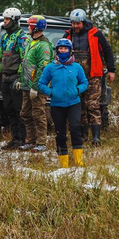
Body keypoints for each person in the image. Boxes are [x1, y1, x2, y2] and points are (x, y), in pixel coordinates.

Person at [38, 39, 89, 168]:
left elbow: (84, 83)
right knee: (60, 133)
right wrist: (51, 92)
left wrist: (77, 90)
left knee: (75, 128)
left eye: (65, 48)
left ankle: (79, 161)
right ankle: (64, 164)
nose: (63, 51)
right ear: (57, 50)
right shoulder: (51, 67)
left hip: (73, 103)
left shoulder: (77, 67)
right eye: (60, 48)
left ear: (70, 50)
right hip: (57, 104)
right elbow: (41, 83)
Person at [69, 9, 115, 144]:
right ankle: (83, 136)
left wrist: (111, 70)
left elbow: (107, 50)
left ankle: (96, 137)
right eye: (73, 23)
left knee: (93, 105)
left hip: (93, 76)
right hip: (75, 78)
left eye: (78, 23)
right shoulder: (68, 35)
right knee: (80, 106)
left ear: (83, 22)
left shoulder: (95, 34)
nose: (75, 26)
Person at [0, 11, 30, 149]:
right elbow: (0, 58)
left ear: (14, 20)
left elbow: (24, 59)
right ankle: (15, 138)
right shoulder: (5, 37)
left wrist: (20, 78)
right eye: (4, 19)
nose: (5, 21)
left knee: (19, 109)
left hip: (16, 77)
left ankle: (23, 138)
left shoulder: (22, 37)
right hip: (5, 77)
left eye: (7, 19)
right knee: (8, 108)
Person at [19, 17, 54, 151]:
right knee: (25, 113)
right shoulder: (31, 42)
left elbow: (43, 67)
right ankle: (30, 140)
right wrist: (20, 80)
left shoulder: (43, 45)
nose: (28, 28)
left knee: (38, 113)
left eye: (30, 25)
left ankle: (41, 143)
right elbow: (25, 62)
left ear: (36, 27)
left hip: (37, 87)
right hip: (26, 85)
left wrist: (36, 86)